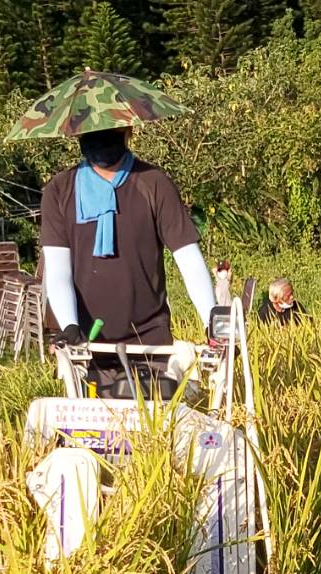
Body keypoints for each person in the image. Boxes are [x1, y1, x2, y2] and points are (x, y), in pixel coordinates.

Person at [39, 126, 216, 393]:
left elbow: (188, 258)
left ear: (128, 130)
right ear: (77, 135)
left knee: (155, 427)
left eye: (110, 129)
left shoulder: (153, 183)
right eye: (92, 130)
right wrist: (70, 325)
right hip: (89, 346)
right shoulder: (59, 192)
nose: (101, 136)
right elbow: (57, 269)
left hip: (151, 342)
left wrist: (212, 322)